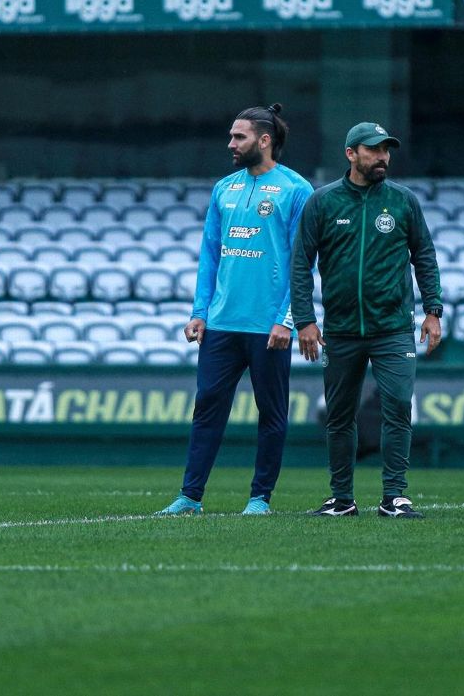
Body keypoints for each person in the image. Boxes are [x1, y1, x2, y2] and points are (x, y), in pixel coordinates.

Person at [155, 104, 314, 516]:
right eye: (231, 136)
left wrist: (287, 319)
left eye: (238, 136)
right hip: (222, 323)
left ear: (264, 140)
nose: (231, 143)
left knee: (272, 414)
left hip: (268, 326)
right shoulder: (223, 188)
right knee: (207, 407)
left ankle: (260, 498)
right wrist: (199, 312)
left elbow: (303, 261)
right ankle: (190, 496)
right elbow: (210, 255)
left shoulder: (296, 190)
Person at [290, 121, 443, 519]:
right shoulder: (323, 202)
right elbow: (300, 264)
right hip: (340, 330)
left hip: (392, 327)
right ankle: (342, 499)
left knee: (397, 405)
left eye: (386, 150)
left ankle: (394, 496)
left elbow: (423, 255)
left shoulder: (403, 201)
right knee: (339, 415)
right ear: (351, 154)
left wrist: (433, 310)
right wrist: (305, 321)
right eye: (374, 150)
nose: (383, 157)